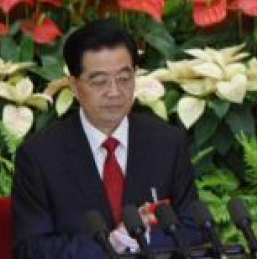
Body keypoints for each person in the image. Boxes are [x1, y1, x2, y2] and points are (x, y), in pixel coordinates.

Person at [11, 19, 199, 257]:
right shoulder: (39, 155)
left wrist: (143, 239)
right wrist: (110, 244)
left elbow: (194, 229)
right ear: (74, 85)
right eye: (99, 81)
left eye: (124, 78)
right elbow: (31, 249)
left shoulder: (168, 142)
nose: (114, 91)